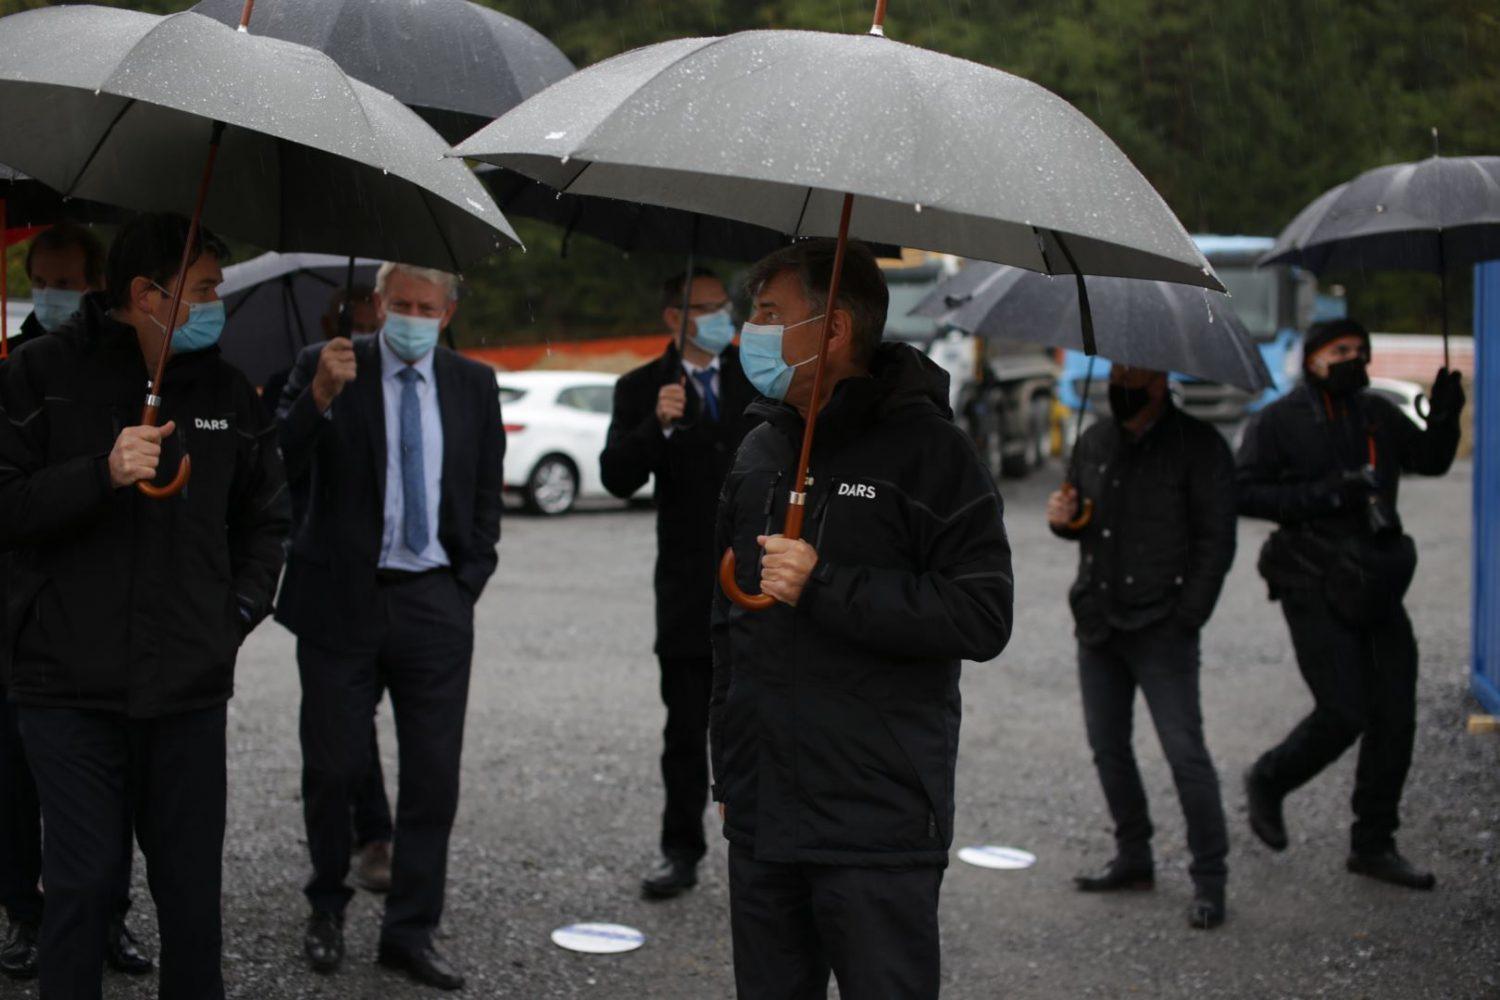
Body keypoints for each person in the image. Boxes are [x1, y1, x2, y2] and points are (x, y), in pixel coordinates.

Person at [710, 240, 1013, 1000]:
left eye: (770, 314)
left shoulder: (932, 455)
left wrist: (825, 584)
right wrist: (729, 764)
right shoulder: (760, 449)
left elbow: (983, 614)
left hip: (876, 822)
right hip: (763, 812)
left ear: (835, 329)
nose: (751, 330)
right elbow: (727, 621)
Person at [0, 212, 289, 999]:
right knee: (83, 887)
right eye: (205, 289)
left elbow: (267, 521)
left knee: (191, 897)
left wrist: (232, 619)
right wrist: (100, 473)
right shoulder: (38, 374)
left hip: (188, 690)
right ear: (147, 294)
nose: (217, 303)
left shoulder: (228, 392)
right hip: (66, 689)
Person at [276, 262, 504, 991]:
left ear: (447, 314)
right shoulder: (327, 364)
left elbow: (485, 491)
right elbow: (275, 465)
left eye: (426, 308)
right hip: (339, 600)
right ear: (376, 303)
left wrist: (466, 582)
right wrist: (318, 397)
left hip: (434, 600)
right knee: (332, 767)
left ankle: (410, 931)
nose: (411, 317)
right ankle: (326, 905)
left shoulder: (473, 383)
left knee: (433, 777)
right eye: (399, 303)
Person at [1238, 319, 1464, 890]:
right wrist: (1328, 494)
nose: (1352, 358)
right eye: (1339, 350)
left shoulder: (1376, 413)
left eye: (1360, 350)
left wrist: (1445, 414)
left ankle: (1373, 843)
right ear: (1312, 358)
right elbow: (1244, 493)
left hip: (1375, 579)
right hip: (1310, 579)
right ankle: (1270, 779)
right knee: (1344, 710)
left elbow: (1432, 459)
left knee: (1395, 713)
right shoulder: (1278, 421)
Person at [0, 223, 155, 981]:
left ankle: (107, 915)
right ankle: (23, 913)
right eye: (42, 280)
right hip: (14, 605)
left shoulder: (109, 363)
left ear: (96, 283)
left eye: (66, 282)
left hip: (85, 610)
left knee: (102, 780)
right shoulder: (14, 360)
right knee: (13, 777)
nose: (52, 294)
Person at [1047, 364, 1236, 929]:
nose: (1122, 379)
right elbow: (1082, 519)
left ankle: (1210, 877)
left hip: (1162, 626)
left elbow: (1216, 541)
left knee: (1185, 754)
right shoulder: (1094, 439)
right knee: (1108, 748)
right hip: (1098, 621)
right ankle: (1133, 857)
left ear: (1160, 380)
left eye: (1135, 372)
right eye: (1117, 369)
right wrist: (1064, 520)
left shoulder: (1199, 447)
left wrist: (1187, 617)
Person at [600, 268, 758, 900]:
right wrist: (656, 426)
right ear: (675, 317)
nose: (722, 318)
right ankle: (680, 850)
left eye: (726, 306)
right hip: (687, 590)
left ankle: (762, 848)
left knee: (758, 725)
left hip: (757, 582)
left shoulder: (758, 375)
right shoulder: (642, 387)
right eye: (707, 308)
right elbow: (616, 477)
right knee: (686, 733)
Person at [262, 285, 395, 895]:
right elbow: (276, 462)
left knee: (360, 724)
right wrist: (319, 395)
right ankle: (336, 877)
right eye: (353, 316)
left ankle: (380, 835)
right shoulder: (309, 368)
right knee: (335, 742)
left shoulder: (417, 371)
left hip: (401, 593)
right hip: (330, 589)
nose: (366, 325)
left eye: (373, 315)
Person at [8, 223, 107, 354]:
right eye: (39, 281)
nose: (47, 293)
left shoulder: (116, 355)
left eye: (62, 283)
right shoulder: (11, 355)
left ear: (95, 285)